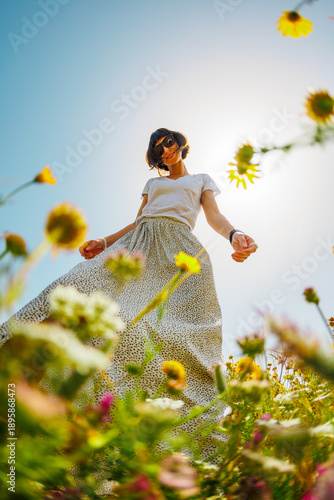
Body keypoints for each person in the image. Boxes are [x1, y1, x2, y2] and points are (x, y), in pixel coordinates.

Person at [0, 127, 257, 460]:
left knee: (156, 332)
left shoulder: (202, 180)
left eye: (168, 142)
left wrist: (234, 234)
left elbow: (214, 217)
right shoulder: (153, 184)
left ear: (180, 144)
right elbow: (138, 221)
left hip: (179, 251)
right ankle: (19, 367)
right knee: (78, 290)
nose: (164, 149)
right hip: (139, 245)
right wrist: (106, 241)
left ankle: (146, 432)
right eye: (157, 147)